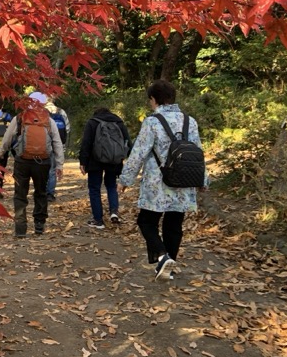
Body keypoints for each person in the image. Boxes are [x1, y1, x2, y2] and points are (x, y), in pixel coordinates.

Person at [118, 80, 208, 282]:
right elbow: (198, 153)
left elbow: (139, 153)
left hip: (158, 183)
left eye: (150, 100)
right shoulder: (189, 121)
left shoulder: (152, 121)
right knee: (174, 225)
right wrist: (203, 180)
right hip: (184, 180)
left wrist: (125, 179)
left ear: (154, 99)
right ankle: (169, 267)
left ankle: (162, 256)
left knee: (146, 221)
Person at [0, 92, 65, 237]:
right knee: (41, 192)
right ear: (42, 103)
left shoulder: (20, 118)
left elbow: (8, 137)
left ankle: (20, 228)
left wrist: (2, 151)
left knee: (20, 194)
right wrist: (59, 164)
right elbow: (57, 143)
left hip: (22, 161)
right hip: (43, 162)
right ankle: (39, 225)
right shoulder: (49, 120)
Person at [78, 107, 131, 229]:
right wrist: (125, 158)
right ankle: (114, 212)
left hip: (95, 161)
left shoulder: (92, 122)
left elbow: (86, 143)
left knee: (94, 189)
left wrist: (83, 162)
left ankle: (98, 220)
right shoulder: (119, 122)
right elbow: (127, 142)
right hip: (114, 160)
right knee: (111, 186)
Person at [44, 97, 70, 202]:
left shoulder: (41, 111)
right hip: (58, 144)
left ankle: (42, 190)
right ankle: (50, 193)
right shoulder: (61, 111)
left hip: (45, 144)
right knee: (53, 170)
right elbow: (67, 128)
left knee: (43, 168)